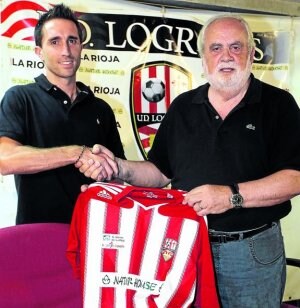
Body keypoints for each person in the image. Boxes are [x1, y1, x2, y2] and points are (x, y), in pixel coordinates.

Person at [77, 14, 300, 307]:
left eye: (236, 47)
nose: (226, 56)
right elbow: (158, 172)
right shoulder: (183, 106)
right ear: (203, 57)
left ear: (251, 54)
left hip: (251, 251)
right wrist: (117, 167)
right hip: (184, 245)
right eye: (215, 48)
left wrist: (230, 196)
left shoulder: (278, 104)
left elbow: (295, 177)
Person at [0, 4, 124, 225]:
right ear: (39, 52)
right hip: (38, 235)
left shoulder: (101, 109)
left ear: (81, 47)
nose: (66, 50)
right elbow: (5, 160)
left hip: (93, 234)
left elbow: (118, 176)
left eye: (72, 40)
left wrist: (105, 177)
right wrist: (75, 153)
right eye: (55, 42)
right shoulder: (20, 98)